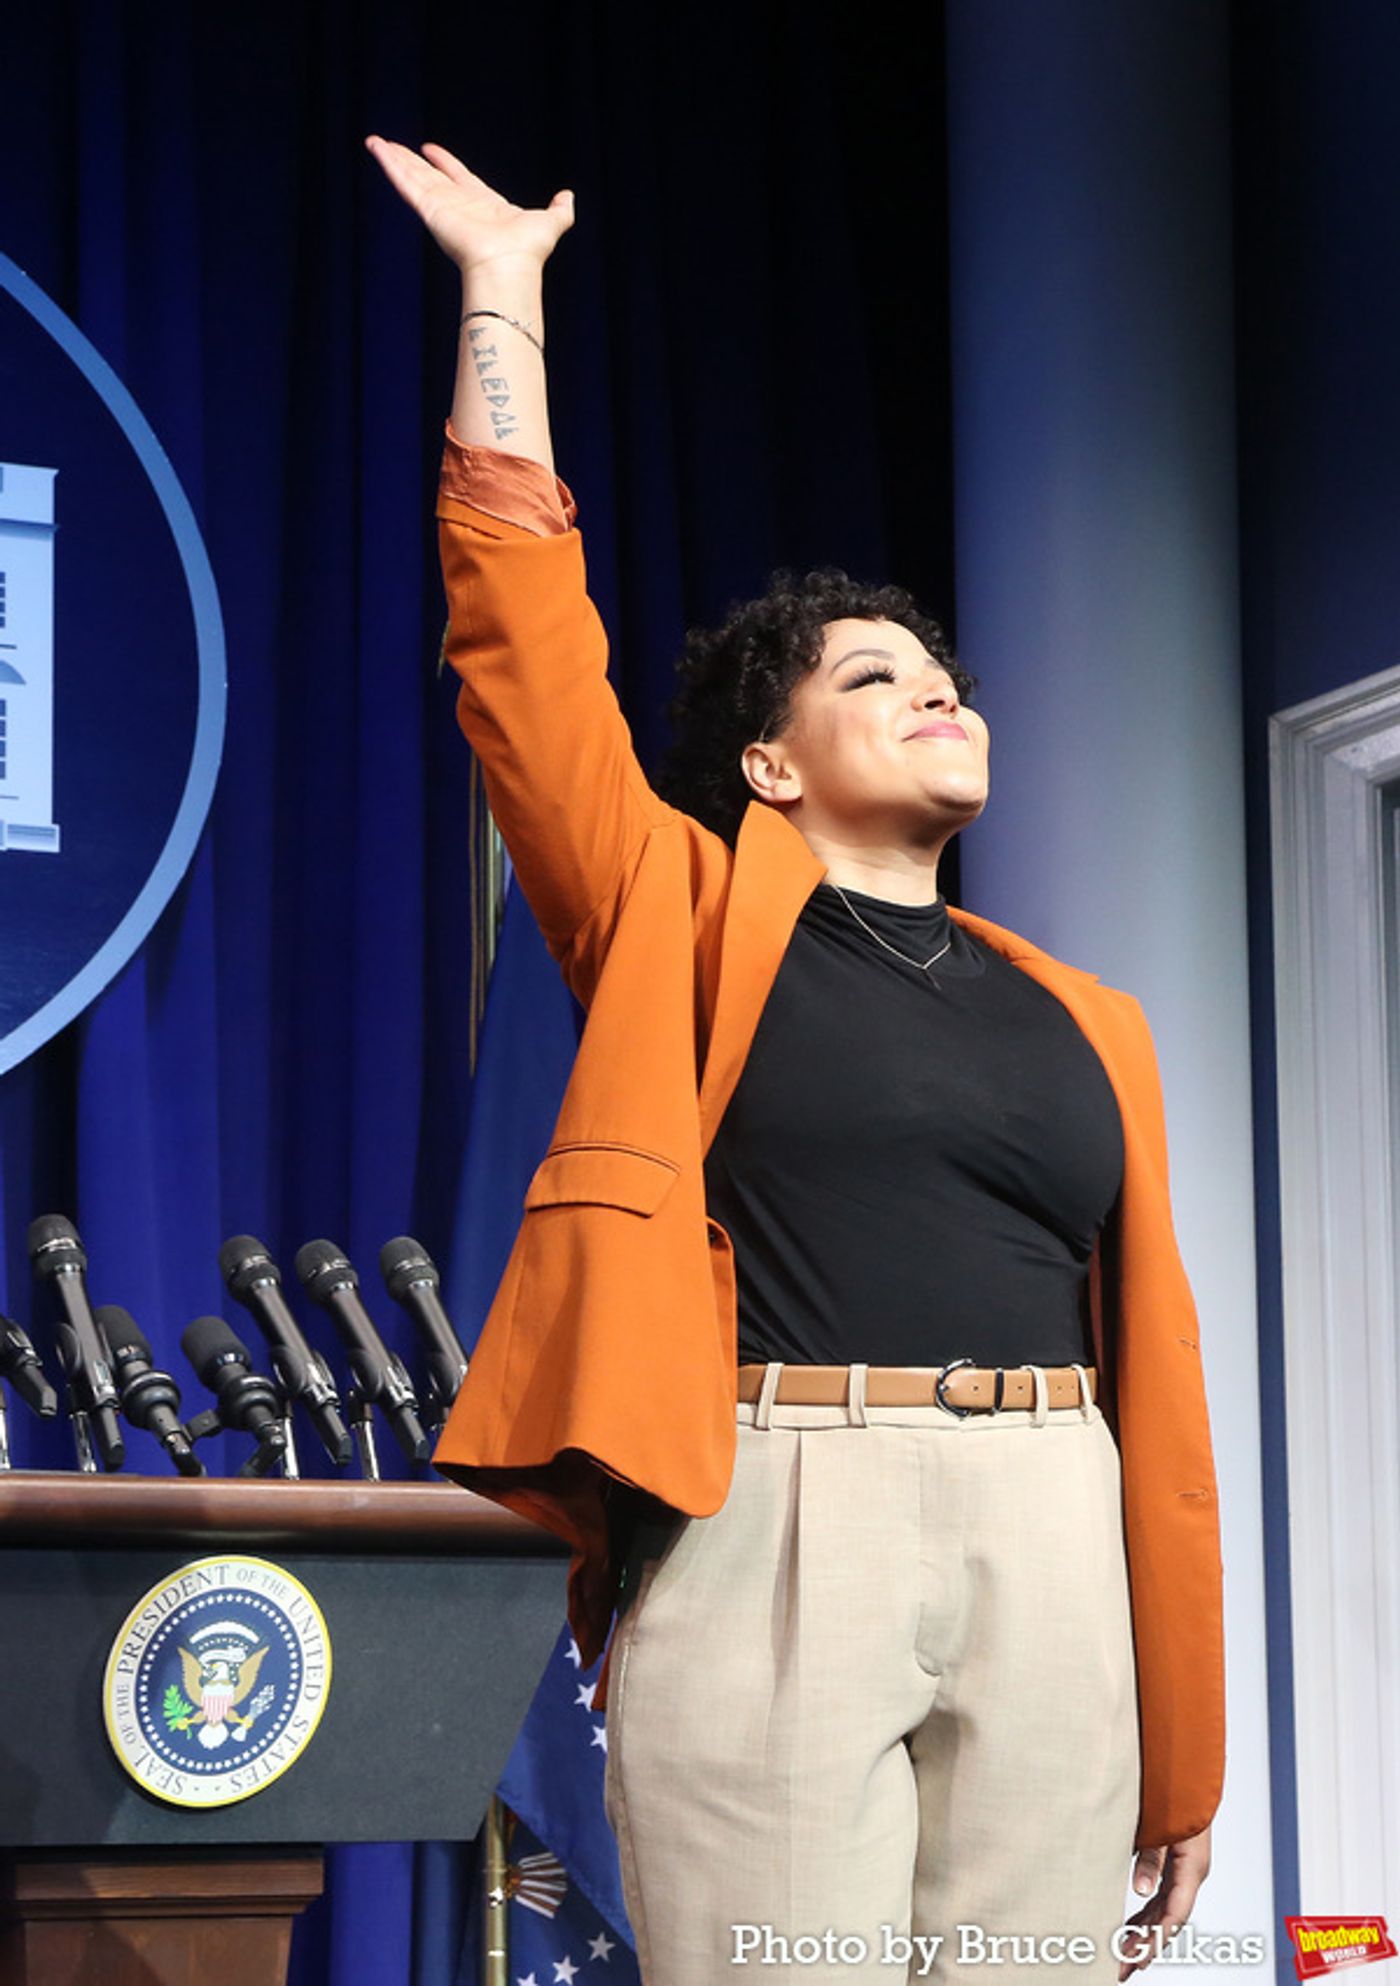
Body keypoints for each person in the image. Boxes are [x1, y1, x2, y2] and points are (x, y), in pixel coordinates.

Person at [364, 136, 1225, 1986]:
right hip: (781, 1509)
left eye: (943, 670)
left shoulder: (1091, 1018)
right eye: (871, 676)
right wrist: (499, 289)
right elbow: (519, 636)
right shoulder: (674, 902)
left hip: (1052, 1524)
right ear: (769, 765)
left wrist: (1186, 1729)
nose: (936, 687)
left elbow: (1155, 1388)